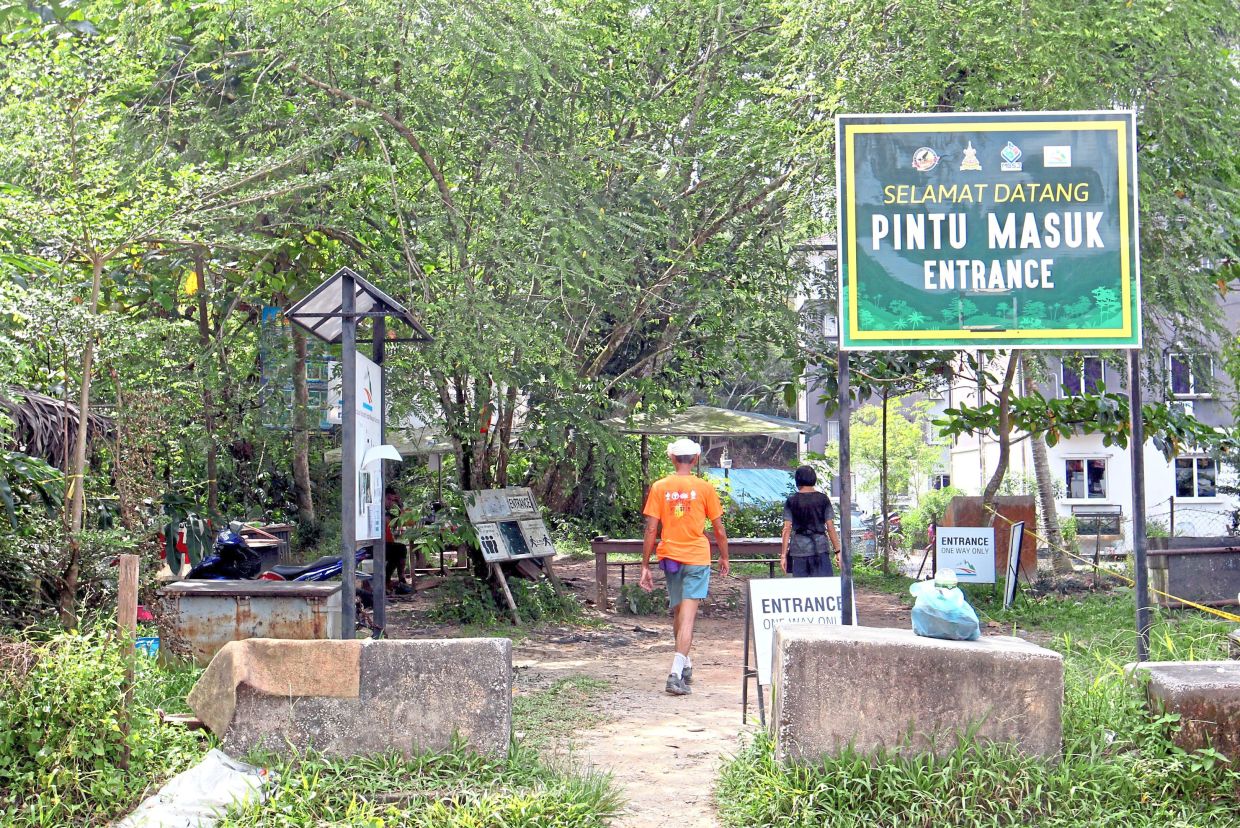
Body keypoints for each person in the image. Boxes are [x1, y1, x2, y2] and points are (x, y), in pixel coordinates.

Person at [639, 437, 730, 696]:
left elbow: (651, 529)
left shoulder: (660, 487)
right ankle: (675, 672)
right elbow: (719, 530)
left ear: (671, 458)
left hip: (671, 558)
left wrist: (644, 564)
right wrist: (724, 557)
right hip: (697, 558)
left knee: (679, 613)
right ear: (696, 459)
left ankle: (686, 663)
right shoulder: (705, 488)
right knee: (688, 617)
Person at [780, 465, 841, 578]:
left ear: (797, 479)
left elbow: (786, 529)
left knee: (801, 590)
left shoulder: (791, 500)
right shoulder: (823, 499)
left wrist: (783, 555)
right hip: (820, 548)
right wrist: (838, 551)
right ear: (814, 479)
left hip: (799, 549)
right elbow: (830, 527)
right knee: (823, 589)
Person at [384, 487, 413, 595]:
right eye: (388, 499)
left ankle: (395, 579)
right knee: (400, 549)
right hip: (373, 546)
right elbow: (398, 521)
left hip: (386, 544)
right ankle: (396, 579)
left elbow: (407, 521)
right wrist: (400, 506)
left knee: (398, 550)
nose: (391, 503)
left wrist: (400, 504)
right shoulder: (381, 513)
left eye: (393, 500)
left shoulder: (387, 513)